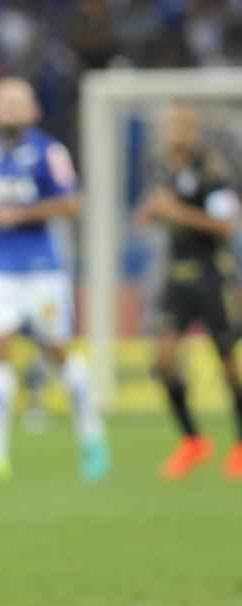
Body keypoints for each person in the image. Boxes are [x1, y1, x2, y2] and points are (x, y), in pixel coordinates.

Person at [0, 77, 109, 483]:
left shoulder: (50, 152)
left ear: (33, 110)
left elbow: (72, 203)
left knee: (58, 352)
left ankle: (93, 438)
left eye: (16, 102)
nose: (8, 109)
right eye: (1, 102)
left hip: (42, 271)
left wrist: (20, 215)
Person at [135, 103, 242, 479]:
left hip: (213, 274)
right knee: (164, 360)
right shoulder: (160, 168)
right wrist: (150, 213)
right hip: (175, 276)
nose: (175, 131)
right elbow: (149, 216)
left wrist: (174, 211)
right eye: (170, 124)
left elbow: (225, 226)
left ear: (193, 128)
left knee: (228, 361)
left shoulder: (213, 169)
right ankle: (193, 440)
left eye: (182, 124)